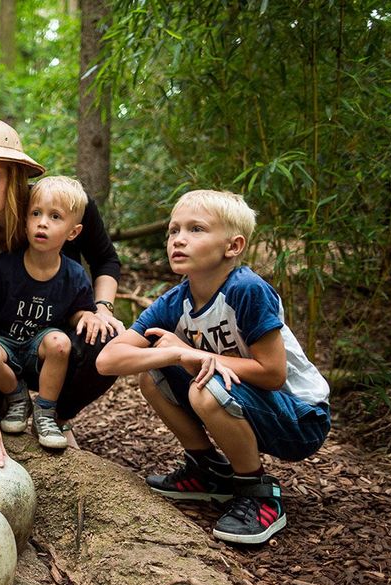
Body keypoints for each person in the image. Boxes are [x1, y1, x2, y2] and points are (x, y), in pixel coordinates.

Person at [96, 190, 331, 545]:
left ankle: (259, 495)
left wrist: (193, 353)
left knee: (205, 386)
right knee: (153, 374)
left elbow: (273, 373)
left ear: (233, 246)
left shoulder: (247, 290)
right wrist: (177, 356)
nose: (179, 239)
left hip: (299, 417)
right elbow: (108, 360)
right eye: (173, 231)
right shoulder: (176, 300)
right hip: (242, 403)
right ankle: (209, 472)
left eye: (196, 229)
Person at [0, 116, 124, 472]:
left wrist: (102, 309)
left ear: (14, 174)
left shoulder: (63, 206)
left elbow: (106, 260)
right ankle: (9, 406)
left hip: (56, 340)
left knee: (107, 339)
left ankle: (54, 416)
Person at [0, 176, 99, 451]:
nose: (42, 222)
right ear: (25, 221)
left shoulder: (74, 275)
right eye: (36, 214)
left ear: (73, 232)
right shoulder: (5, 267)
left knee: (60, 343)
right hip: (4, 340)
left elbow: (76, 313)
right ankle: (17, 397)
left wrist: (87, 316)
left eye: (55, 217)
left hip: (40, 344)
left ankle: (45, 412)